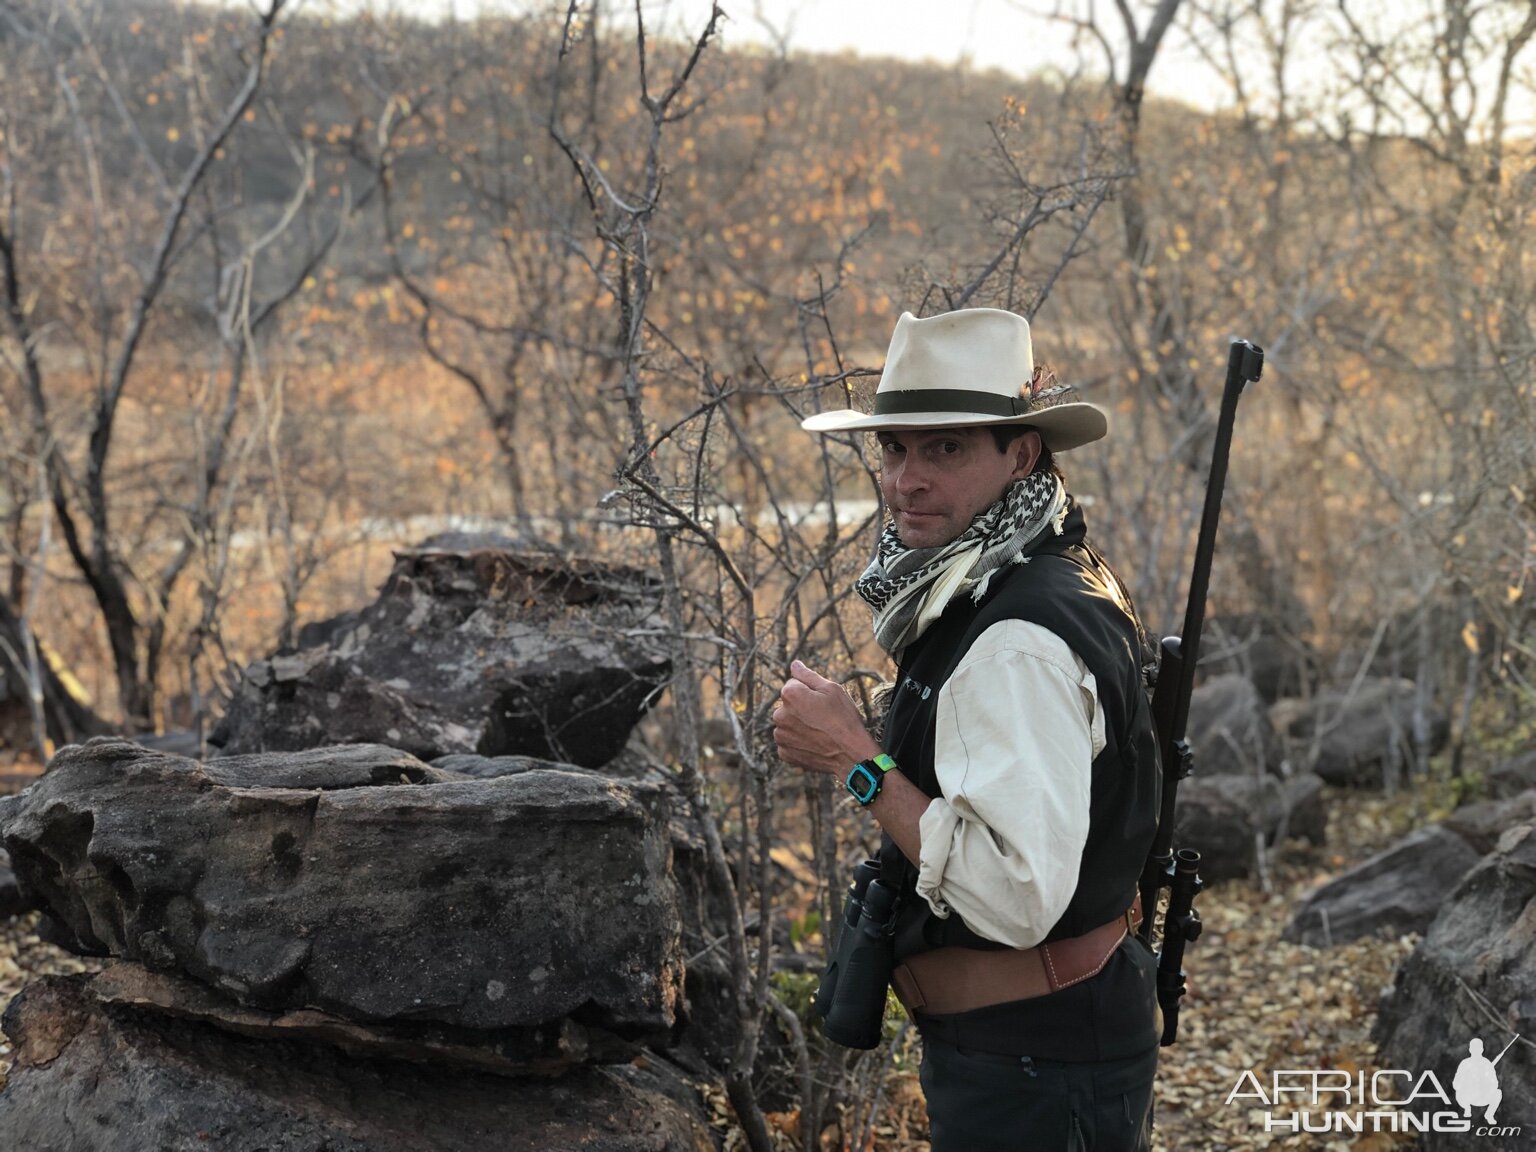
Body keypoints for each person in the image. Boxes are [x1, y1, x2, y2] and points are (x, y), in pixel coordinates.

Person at [773, 307, 1161, 1151]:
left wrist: (856, 760)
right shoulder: (1035, 570)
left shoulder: (1014, 640)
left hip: (1038, 1071)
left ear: (1019, 455)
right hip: (1036, 1056)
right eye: (894, 448)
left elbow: (1017, 897)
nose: (905, 479)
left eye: (944, 448)